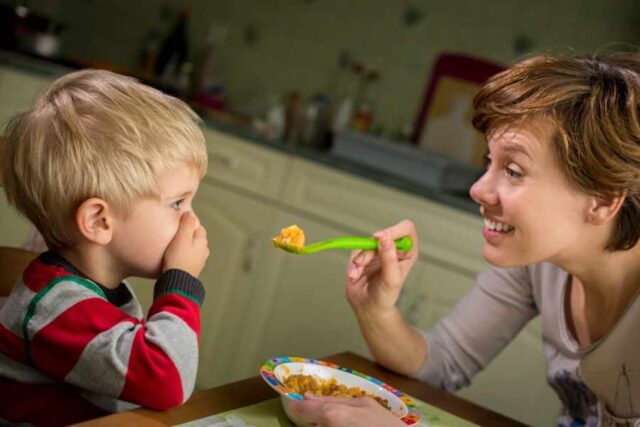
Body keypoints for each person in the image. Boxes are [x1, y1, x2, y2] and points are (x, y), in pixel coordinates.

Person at [290, 52, 640, 427]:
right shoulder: (541, 262)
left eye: (514, 170)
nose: (478, 189)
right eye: (490, 162)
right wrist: (376, 310)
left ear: (603, 199)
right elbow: (444, 361)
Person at [0, 69, 209, 426]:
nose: (191, 221)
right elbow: (167, 381)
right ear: (99, 221)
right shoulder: (55, 309)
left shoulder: (94, 290)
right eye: (177, 203)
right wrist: (180, 284)